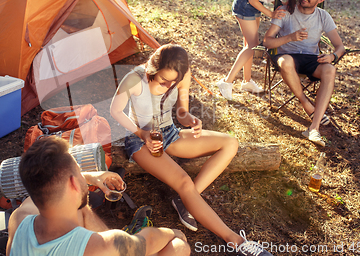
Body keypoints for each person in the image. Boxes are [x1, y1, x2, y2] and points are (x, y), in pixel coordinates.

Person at [110, 44, 273, 256]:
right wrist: (142, 134)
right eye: (163, 81)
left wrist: (191, 120)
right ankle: (237, 241)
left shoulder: (183, 75)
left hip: (169, 132)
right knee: (184, 182)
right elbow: (115, 110)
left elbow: (181, 112)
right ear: (152, 69)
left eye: (174, 83)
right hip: (141, 140)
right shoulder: (134, 78)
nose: (169, 86)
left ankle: (185, 200)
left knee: (230, 143)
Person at [6, 135, 191, 256]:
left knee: (80, 208)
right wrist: (176, 233)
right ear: (72, 183)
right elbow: (149, 239)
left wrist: (89, 178)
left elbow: (37, 196)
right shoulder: (103, 246)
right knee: (178, 247)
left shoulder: (18, 220)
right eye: (79, 171)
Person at [217, 0, 318, 100]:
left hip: (254, 5)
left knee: (249, 44)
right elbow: (253, 0)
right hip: (246, 4)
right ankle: (226, 82)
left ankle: (246, 81)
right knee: (252, 46)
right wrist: (271, 14)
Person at [263, 0, 345, 146]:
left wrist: (333, 57)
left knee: (329, 69)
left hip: (310, 58)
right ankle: (306, 104)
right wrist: (290, 37)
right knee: (285, 61)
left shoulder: (323, 16)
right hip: (287, 55)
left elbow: (340, 46)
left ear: (320, 0)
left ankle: (313, 129)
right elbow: (267, 42)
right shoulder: (285, 11)